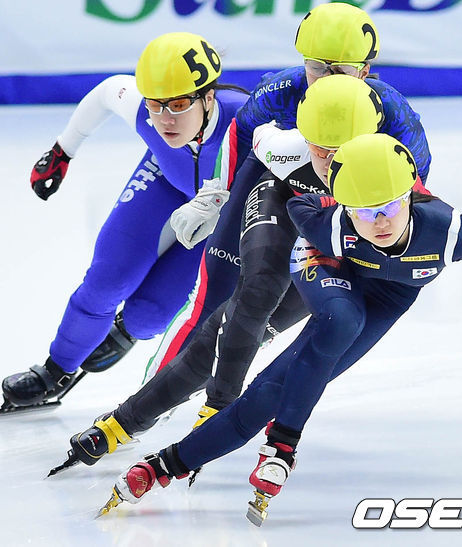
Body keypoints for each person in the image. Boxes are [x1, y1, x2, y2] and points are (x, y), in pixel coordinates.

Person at [95, 133, 462, 524]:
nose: (380, 221)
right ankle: (283, 445)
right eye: (364, 212)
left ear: (409, 197)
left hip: (390, 295)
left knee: (271, 393)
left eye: (390, 207)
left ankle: (164, 465)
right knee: (341, 321)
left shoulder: (454, 235)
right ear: (347, 209)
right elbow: (297, 200)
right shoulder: (327, 224)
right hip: (328, 263)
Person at [55, 74, 428, 474]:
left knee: (264, 328)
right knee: (253, 296)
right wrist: (214, 196)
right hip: (282, 198)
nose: (329, 163)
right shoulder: (284, 148)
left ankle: (135, 419)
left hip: (336, 233)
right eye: (319, 149)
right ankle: (172, 413)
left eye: (341, 151)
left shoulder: (395, 174)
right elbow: (242, 141)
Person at [1, 32, 249, 412]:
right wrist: (62, 151)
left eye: (179, 104)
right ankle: (56, 370)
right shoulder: (145, 111)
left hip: (222, 216)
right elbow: (108, 92)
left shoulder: (249, 124)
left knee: (150, 315)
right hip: (167, 181)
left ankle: (128, 329)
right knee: (107, 281)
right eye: (155, 104)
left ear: (209, 97)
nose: (165, 119)